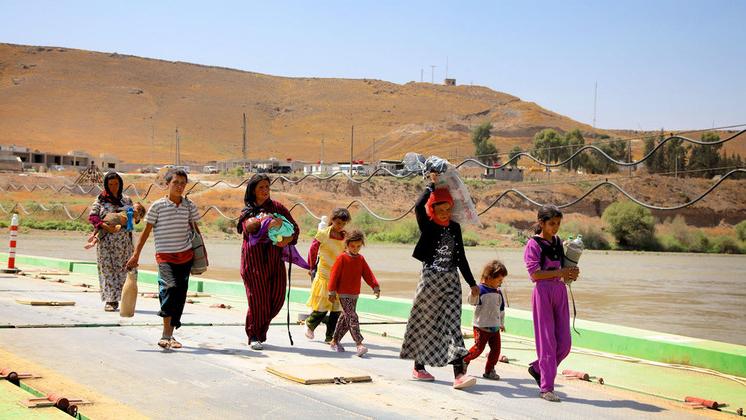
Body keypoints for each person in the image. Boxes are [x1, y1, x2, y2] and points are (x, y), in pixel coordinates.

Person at [400, 172, 479, 390]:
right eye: (440, 210)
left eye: (447, 210)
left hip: (451, 282)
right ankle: (418, 366)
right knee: (425, 321)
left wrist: (472, 283)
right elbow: (418, 207)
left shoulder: (454, 228)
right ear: (432, 210)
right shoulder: (428, 226)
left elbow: (461, 257)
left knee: (453, 325)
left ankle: (459, 375)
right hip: (430, 281)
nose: (444, 214)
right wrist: (432, 185)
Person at [126, 169, 201, 350]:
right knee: (169, 288)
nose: (179, 186)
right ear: (167, 184)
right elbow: (146, 233)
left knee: (180, 295)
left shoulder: (189, 206)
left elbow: (196, 231)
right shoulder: (157, 206)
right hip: (165, 257)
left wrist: (201, 255)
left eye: (183, 183)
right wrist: (136, 254)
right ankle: (166, 334)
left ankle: (171, 334)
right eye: (175, 182)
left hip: (185, 256)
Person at [236, 174, 299, 350]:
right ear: (253, 191)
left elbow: (295, 229)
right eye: (261, 187)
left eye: (267, 187)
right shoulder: (248, 211)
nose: (265, 191)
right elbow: (247, 229)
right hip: (253, 262)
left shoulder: (278, 207)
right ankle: (254, 335)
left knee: (277, 298)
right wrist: (263, 223)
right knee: (258, 300)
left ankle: (259, 329)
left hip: (275, 260)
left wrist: (286, 239)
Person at [524, 205, 579, 402]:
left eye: (558, 224)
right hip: (543, 292)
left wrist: (571, 273)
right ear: (541, 223)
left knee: (564, 344)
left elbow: (563, 269)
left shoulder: (557, 242)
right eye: (551, 224)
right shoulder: (533, 245)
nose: (555, 227)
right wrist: (560, 272)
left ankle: (538, 368)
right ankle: (546, 388)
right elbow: (535, 274)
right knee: (547, 342)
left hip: (560, 291)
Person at [327, 230, 380, 356]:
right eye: (352, 246)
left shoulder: (361, 259)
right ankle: (359, 344)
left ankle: (334, 341)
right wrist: (331, 291)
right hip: (343, 293)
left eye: (358, 246)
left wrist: (375, 286)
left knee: (345, 318)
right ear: (347, 245)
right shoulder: (342, 258)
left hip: (354, 293)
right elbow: (334, 275)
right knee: (352, 316)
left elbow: (367, 274)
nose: (355, 249)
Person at [88, 171, 135, 312]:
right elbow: (93, 217)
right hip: (106, 242)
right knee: (108, 270)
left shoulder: (126, 200)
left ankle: (125, 298)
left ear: (120, 184)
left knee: (124, 270)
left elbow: (134, 217)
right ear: (106, 185)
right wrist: (105, 226)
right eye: (111, 184)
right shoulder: (100, 200)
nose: (114, 187)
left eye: (116, 184)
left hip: (124, 242)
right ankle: (110, 300)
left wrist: (132, 218)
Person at [304, 208, 350, 343]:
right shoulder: (323, 234)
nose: (340, 226)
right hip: (324, 274)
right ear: (333, 220)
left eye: (343, 224)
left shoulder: (345, 237)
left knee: (336, 308)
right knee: (323, 305)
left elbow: (348, 253)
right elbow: (313, 250)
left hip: (339, 275)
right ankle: (310, 324)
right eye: (338, 223)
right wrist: (311, 267)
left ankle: (330, 337)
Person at [463, 260, 507, 380]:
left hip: (495, 328)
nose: (501, 283)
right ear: (489, 278)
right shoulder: (480, 290)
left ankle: (489, 370)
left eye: (502, 280)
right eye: (499, 280)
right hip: (481, 327)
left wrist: (501, 323)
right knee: (478, 348)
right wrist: (473, 293)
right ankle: (464, 360)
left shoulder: (498, 293)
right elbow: (471, 302)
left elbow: (501, 310)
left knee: (496, 350)